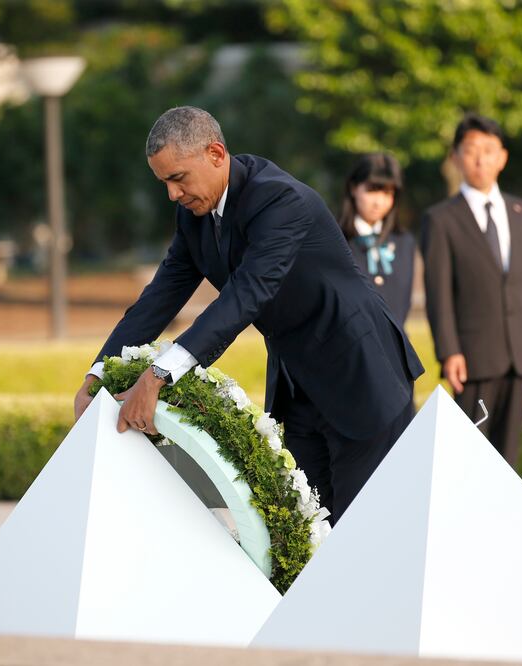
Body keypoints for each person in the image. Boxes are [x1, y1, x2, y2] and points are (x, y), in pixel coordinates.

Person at [73, 106, 424, 523]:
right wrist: (97, 374)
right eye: (164, 182)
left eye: (178, 178)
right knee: (309, 528)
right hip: (297, 386)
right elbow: (158, 299)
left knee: (363, 531)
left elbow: (246, 295)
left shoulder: (280, 199)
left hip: (361, 374)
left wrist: (159, 375)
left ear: (216, 154)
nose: (172, 194)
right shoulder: (193, 217)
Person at [421, 113, 522, 467]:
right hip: (473, 357)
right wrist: (449, 351)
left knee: (509, 454)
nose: (480, 159)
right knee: (471, 453)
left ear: (502, 157)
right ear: (456, 158)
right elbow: (439, 292)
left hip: (520, 350)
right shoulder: (441, 219)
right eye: (471, 150)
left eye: (489, 150)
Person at [338, 152, 416, 326]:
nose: (379, 202)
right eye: (372, 190)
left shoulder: (404, 242)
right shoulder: (335, 240)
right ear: (353, 188)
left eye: (388, 192)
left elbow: (403, 303)